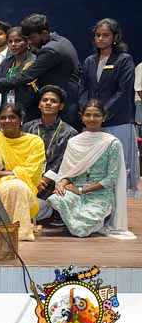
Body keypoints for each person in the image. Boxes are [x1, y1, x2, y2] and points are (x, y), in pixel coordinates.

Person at [48, 100, 134, 239]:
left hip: (100, 195)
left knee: (79, 231)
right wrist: (61, 184)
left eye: (97, 115)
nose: (92, 119)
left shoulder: (112, 143)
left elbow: (111, 179)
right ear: (81, 117)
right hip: (75, 193)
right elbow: (68, 173)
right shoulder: (74, 142)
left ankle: (93, 221)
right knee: (56, 199)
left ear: (104, 117)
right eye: (88, 115)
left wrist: (82, 190)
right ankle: (83, 221)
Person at [78, 18, 138, 196]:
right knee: (95, 167)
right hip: (92, 121)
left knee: (116, 168)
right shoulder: (89, 61)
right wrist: (86, 110)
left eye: (105, 35)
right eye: (98, 35)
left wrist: (101, 113)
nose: (100, 39)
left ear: (115, 37)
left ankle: (118, 206)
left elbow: (123, 91)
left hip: (117, 120)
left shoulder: (124, 60)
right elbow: (83, 88)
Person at [0, 14, 80, 124]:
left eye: (31, 38)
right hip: (63, 101)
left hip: (61, 106)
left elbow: (26, 77)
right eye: (10, 41)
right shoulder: (61, 40)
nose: (30, 42)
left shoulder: (50, 51)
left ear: (44, 33)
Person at [0, 103, 46, 241]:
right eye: (3, 117)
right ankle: (13, 230)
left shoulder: (35, 142)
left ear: (20, 120)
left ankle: (17, 232)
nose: (7, 121)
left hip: (26, 190)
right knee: (14, 186)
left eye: (12, 117)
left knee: (16, 186)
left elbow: (29, 173)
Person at [23, 86, 79, 208]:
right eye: (45, 100)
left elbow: (63, 162)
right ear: (39, 105)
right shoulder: (27, 128)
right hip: (28, 178)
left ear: (61, 106)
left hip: (54, 182)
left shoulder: (70, 133)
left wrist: (44, 180)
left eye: (53, 101)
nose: (48, 103)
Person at [0, 26, 37, 113]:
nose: (13, 44)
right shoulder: (6, 62)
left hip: (28, 111)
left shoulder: (33, 61)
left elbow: (16, 80)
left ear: (27, 42)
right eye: (10, 41)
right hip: (7, 110)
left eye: (18, 41)